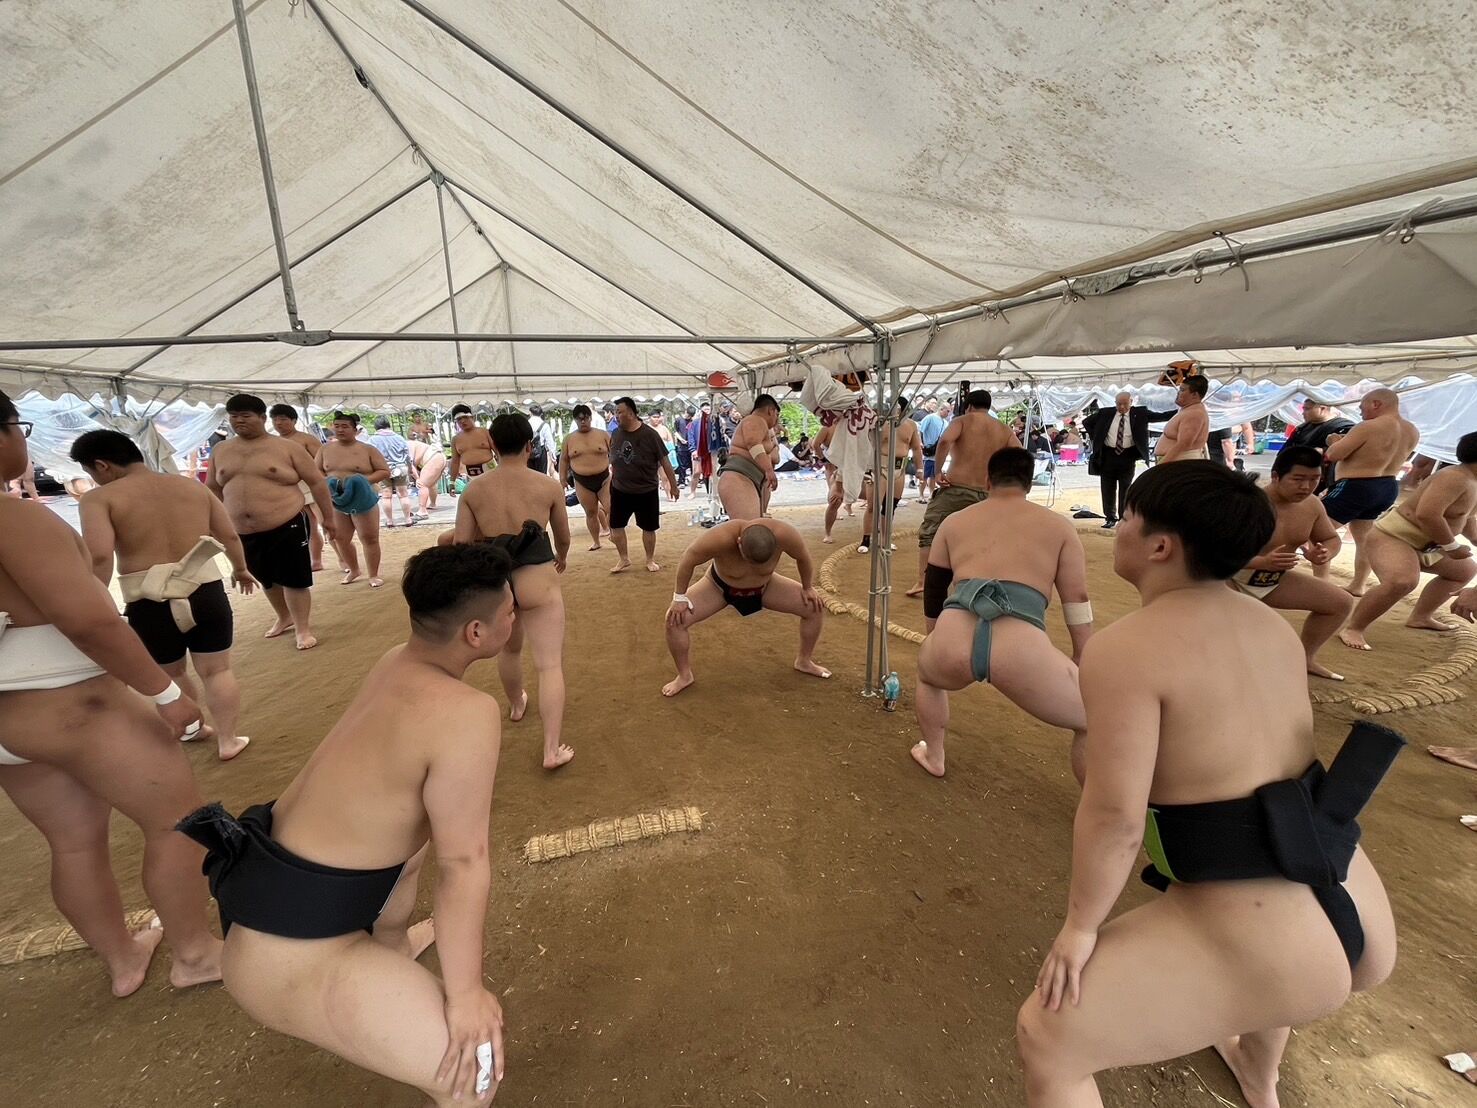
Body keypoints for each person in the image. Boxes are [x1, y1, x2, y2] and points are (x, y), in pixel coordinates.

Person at [1018, 460, 1398, 1108]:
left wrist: (1081, 927)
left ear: (1160, 546)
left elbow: (1115, 816)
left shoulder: (1126, 648)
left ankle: (1257, 1060)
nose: (1120, 529)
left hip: (1266, 934)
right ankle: (1258, 1073)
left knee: (1047, 1037)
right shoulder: (1271, 627)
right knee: (1264, 945)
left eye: (1129, 518)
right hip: (1347, 893)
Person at [177, 542, 516, 1106]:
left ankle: (390, 946)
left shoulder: (394, 661)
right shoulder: (467, 713)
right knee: (474, 1073)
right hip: (291, 958)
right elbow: (464, 864)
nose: (515, 618)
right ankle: (383, 962)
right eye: (510, 611)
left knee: (416, 833)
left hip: (262, 909)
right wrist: (465, 995)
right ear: (475, 633)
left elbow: (417, 836)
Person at [0, 390, 223, 995]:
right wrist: (165, 693)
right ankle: (195, 954)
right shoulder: (15, 518)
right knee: (178, 821)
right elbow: (89, 620)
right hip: (76, 703)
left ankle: (123, 961)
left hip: (10, 723)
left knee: (72, 845)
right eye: (18, 425)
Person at [72, 430, 256, 760]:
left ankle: (194, 728)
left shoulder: (99, 499)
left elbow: (100, 556)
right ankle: (228, 740)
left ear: (102, 465)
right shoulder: (191, 486)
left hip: (148, 601)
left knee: (170, 674)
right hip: (205, 592)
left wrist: (96, 601)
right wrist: (240, 569)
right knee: (217, 670)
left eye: (89, 471)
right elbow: (228, 534)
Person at [912, 449, 1092, 781]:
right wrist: (1082, 652)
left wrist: (934, 636)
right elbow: (1076, 599)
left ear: (987, 480)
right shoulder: (1059, 527)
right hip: (1021, 648)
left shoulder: (954, 522)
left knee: (928, 676)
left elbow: (934, 587)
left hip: (954, 634)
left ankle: (934, 755)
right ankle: (1098, 803)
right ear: (1029, 483)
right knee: (1091, 719)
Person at [454, 413, 574, 770]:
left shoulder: (474, 490)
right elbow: (563, 536)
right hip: (537, 573)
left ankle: (517, 703)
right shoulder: (547, 485)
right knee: (549, 664)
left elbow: (461, 544)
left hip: (495, 577)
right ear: (529, 446)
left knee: (510, 649)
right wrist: (561, 557)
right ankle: (551, 750)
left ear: (491, 444)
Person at [209, 393, 337, 650]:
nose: (239, 421)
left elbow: (316, 482)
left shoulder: (287, 448)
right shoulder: (221, 450)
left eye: (245, 416)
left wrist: (329, 519)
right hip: (242, 529)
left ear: (261, 417)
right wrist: (214, 523)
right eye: (234, 416)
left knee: (293, 577)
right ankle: (284, 616)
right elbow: (212, 488)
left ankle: (302, 628)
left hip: (287, 521)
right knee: (264, 576)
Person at [1338, 431, 1477, 651]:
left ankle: (1421, 616)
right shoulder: (1455, 477)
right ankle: (1353, 627)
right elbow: (1428, 514)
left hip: (1429, 545)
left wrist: (1474, 539)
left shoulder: (1473, 482)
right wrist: (1452, 546)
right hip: (1394, 537)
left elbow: (1464, 516)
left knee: (1464, 570)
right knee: (1402, 580)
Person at [660, 518, 829, 697]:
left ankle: (804, 661)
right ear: (739, 542)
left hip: (766, 586)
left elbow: (803, 557)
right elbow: (689, 559)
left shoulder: (785, 534)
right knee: (674, 621)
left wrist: (807, 587)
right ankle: (684, 676)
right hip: (718, 587)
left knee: (814, 607)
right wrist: (679, 597)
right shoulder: (720, 537)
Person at [1229, 446, 1354, 681]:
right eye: (1298, 479)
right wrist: (1261, 561)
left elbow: (1330, 538)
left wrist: (1325, 553)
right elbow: (1213, 554)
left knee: (1340, 602)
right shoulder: (1247, 503)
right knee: (1242, 640)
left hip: (1273, 579)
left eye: (1314, 479)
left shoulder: (1312, 505)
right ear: (1276, 476)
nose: (1306, 487)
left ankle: (1305, 658)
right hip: (1229, 579)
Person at [906, 390, 1020, 597]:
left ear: (968, 406)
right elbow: (1018, 453)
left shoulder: (962, 421)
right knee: (983, 537)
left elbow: (944, 441)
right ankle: (982, 581)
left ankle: (923, 581)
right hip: (987, 493)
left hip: (956, 488)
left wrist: (938, 471)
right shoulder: (1003, 429)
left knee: (930, 533)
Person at [1318, 388, 1422, 595]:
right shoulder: (1412, 430)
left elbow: (1334, 454)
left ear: (1376, 404)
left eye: (1362, 406)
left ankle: (1320, 583)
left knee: (1318, 531)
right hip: (1387, 486)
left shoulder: (1368, 427)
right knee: (1363, 538)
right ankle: (1358, 584)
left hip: (1356, 486)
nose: (1360, 411)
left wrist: (1333, 441)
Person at [1082, 392, 1176, 529]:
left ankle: (1123, 517)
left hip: (1128, 455)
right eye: (1118, 404)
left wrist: (1181, 410)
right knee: (1107, 488)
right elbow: (1086, 422)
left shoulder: (1140, 413)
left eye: (1125, 404)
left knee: (1125, 488)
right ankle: (1110, 517)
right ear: (1115, 403)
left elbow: (1161, 416)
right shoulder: (1105, 413)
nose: (1121, 407)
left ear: (1131, 402)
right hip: (1108, 455)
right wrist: (1097, 437)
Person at [320, 412, 391, 589]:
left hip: (363, 497)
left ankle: (373, 575)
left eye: (345, 426)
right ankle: (354, 570)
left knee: (369, 538)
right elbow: (317, 471)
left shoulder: (368, 449)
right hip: (336, 498)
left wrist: (361, 481)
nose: (340, 430)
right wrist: (328, 482)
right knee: (340, 538)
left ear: (355, 429)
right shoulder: (325, 450)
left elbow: (384, 471)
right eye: (337, 426)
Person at [608, 396, 680, 573]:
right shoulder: (615, 433)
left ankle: (650, 559)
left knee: (649, 527)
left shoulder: (650, 434)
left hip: (646, 489)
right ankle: (624, 559)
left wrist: (673, 485)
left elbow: (665, 461)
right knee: (615, 526)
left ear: (631, 413)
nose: (616, 415)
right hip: (620, 488)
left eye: (620, 412)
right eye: (615, 412)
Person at [859, 399, 924, 554]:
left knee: (890, 506)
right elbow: (865, 442)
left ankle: (885, 539)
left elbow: (916, 448)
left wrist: (920, 469)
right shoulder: (878, 424)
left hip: (899, 469)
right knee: (873, 506)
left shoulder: (911, 425)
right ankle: (866, 539)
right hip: (879, 467)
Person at [270, 403, 327, 571]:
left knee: (325, 522)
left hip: (312, 484)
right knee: (309, 526)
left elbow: (323, 462)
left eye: (283, 419)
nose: (278, 423)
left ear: (294, 420)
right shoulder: (272, 442)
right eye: (275, 419)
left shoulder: (306, 439)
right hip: (292, 488)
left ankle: (343, 559)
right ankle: (316, 560)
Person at [717, 394, 781, 521]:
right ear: (771, 410)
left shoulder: (761, 425)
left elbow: (773, 456)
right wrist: (769, 470)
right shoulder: (755, 420)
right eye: (777, 415)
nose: (777, 420)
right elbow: (753, 444)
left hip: (748, 479)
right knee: (749, 527)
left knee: (754, 527)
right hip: (738, 479)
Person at [560, 404, 612, 550]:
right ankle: (596, 541)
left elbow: (614, 454)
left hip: (604, 479)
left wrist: (617, 470)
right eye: (579, 419)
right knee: (590, 512)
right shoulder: (569, 439)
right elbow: (564, 460)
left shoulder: (603, 435)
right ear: (575, 420)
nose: (583, 421)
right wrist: (562, 479)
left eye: (586, 418)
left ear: (590, 418)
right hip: (582, 481)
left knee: (612, 508)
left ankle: (613, 533)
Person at [1285, 400, 1356, 492]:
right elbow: (1286, 450)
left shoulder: (1344, 427)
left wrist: (1323, 451)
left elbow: (1348, 451)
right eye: (1303, 409)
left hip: (1324, 479)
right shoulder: (1301, 428)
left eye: (1307, 409)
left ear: (1322, 408)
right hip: (1296, 472)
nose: (1303, 413)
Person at [370, 416, 417, 529]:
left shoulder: (372, 440)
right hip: (400, 467)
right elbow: (407, 456)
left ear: (376, 427)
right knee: (403, 495)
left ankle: (390, 521)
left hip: (383, 469)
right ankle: (408, 519)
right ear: (388, 425)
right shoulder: (399, 438)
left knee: (386, 496)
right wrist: (410, 469)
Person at [1153, 375, 1211, 463]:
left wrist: (1163, 463)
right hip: (1177, 462)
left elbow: (1184, 444)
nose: (1178, 393)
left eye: (1182, 390)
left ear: (1194, 395)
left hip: (1180, 462)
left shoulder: (1194, 414)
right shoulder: (1189, 410)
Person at [448, 404, 495, 489]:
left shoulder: (485, 432)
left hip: (491, 471)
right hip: (470, 476)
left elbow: (498, 452)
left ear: (472, 417)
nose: (462, 421)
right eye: (459, 419)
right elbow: (455, 462)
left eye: (465, 417)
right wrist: (452, 482)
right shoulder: (455, 439)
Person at [525, 405, 557, 476]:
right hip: (541, 451)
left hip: (529, 451)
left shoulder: (526, 424)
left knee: (530, 474)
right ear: (541, 414)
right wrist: (553, 456)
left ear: (530, 413)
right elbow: (549, 441)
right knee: (542, 475)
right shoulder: (544, 425)